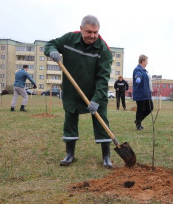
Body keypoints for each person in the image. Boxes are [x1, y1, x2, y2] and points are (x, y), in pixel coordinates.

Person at [44, 15, 113, 168]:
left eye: (95, 32)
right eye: (89, 32)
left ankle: (106, 157)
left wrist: (96, 99)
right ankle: (70, 155)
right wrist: (52, 51)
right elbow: (50, 44)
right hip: (72, 90)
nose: (92, 36)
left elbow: (103, 78)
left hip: (95, 93)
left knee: (102, 122)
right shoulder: (69, 39)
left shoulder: (104, 49)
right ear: (81, 29)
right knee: (70, 120)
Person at [133, 54, 153, 130]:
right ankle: (138, 125)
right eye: (146, 61)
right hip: (140, 93)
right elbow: (138, 75)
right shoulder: (138, 69)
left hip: (147, 93)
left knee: (150, 107)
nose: (147, 63)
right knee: (140, 109)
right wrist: (138, 78)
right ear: (143, 61)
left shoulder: (144, 70)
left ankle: (138, 120)